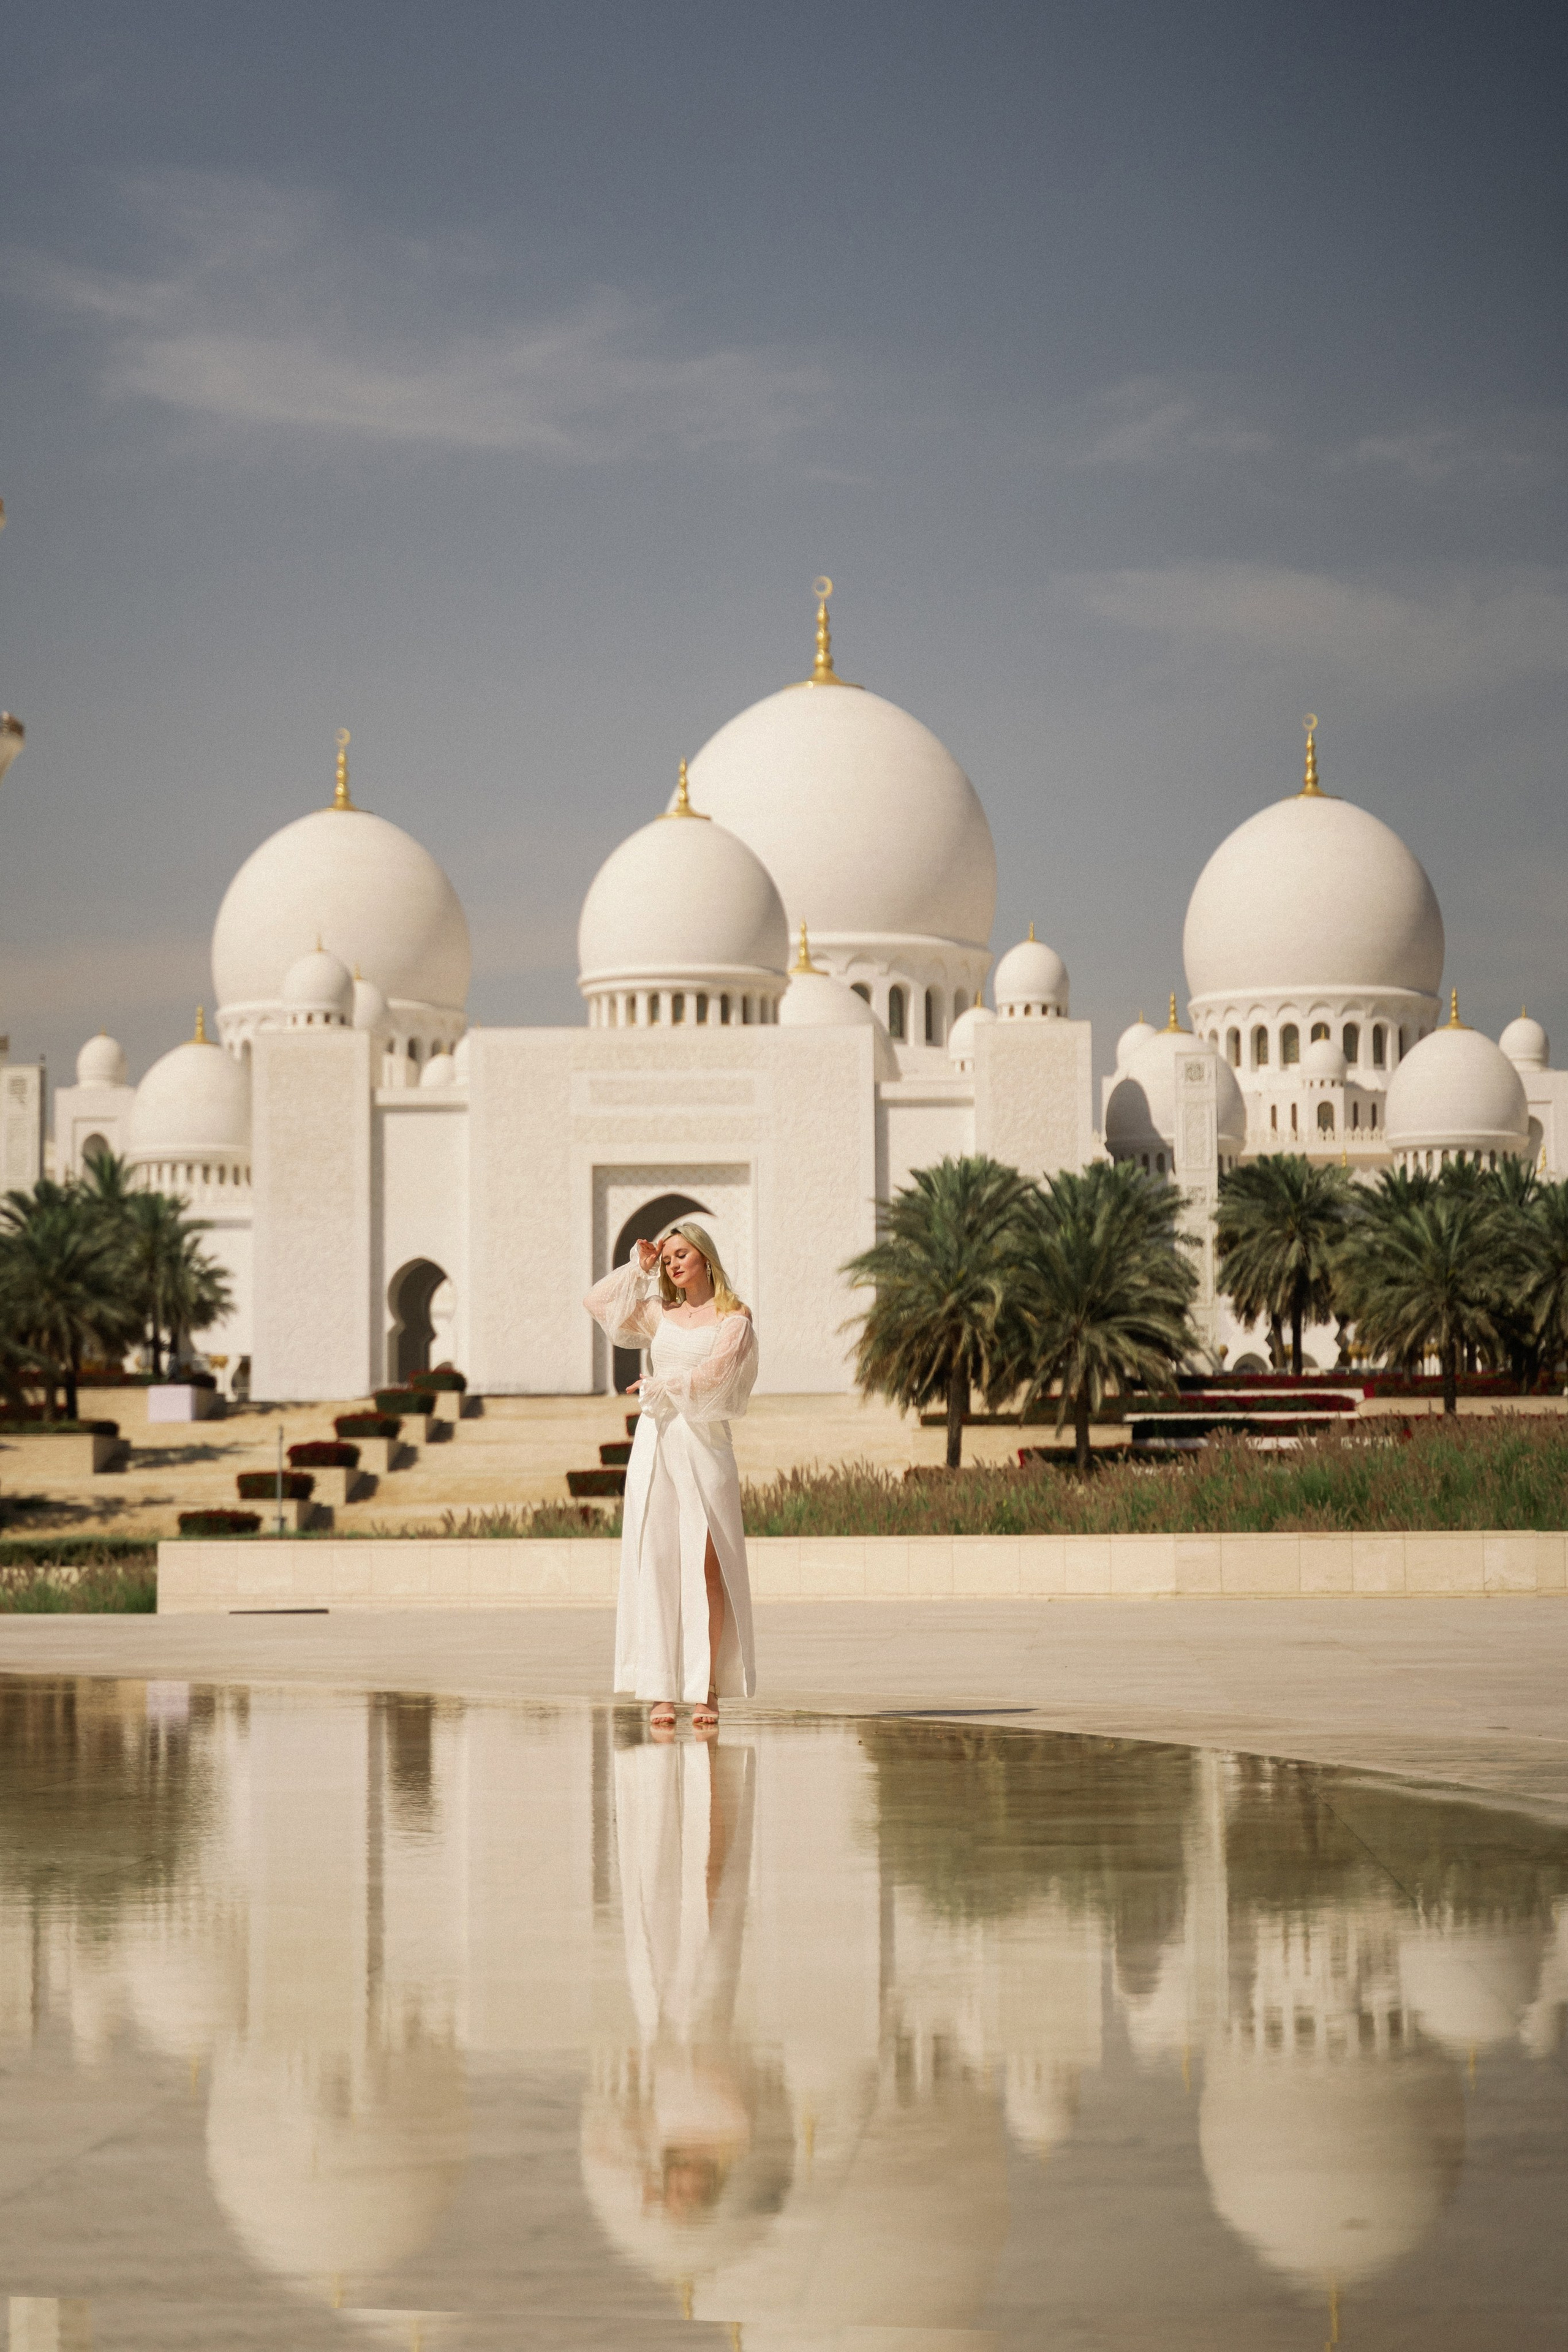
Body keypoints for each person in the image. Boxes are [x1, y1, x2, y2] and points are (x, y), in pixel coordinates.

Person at [584, 1223, 758, 1727]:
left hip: (705, 1448)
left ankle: (706, 1688)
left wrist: (667, 1384)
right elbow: (598, 1304)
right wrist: (639, 1268)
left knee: (707, 1570)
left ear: (705, 1257)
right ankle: (660, 1688)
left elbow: (720, 1374)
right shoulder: (660, 1315)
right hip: (656, 1445)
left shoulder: (734, 1317)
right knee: (657, 1563)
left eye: (682, 1254)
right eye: (668, 1259)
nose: (674, 1264)